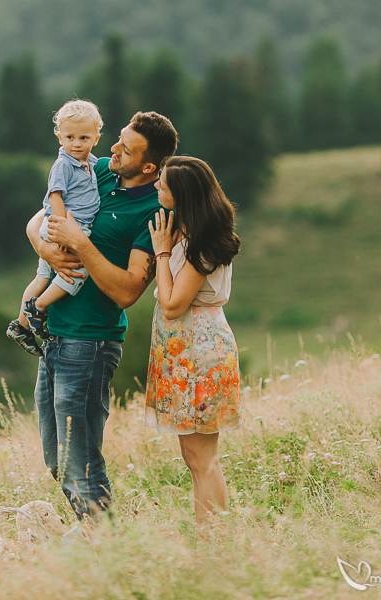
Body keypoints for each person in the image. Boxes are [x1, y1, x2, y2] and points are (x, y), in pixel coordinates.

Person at [27, 111, 178, 522]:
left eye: (124, 148)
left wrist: (78, 241)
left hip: (90, 341)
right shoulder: (96, 169)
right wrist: (48, 251)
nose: (110, 148)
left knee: (79, 460)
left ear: (149, 166)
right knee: (56, 456)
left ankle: (102, 542)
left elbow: (129, 290)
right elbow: (38, 218)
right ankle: (95, 535)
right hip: (55, 333)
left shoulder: (156, 211)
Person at [146, 155, 242, 536]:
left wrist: (162, 251)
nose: (156, 186)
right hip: (187, 352)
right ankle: (210, 533)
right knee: (194, 456)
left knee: (202, 459)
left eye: (163, 185)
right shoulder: (192, 234)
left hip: (197, 353)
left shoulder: (199, 244)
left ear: (181, 196)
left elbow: (172, 305)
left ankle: (215, 538)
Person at [7, 100, 103, 357]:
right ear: (59, 136)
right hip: (66, 227)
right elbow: (55, 197)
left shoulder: (91, 164)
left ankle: (21, 326)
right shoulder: (63, 165)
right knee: (76, 273)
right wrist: (63, 229)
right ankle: (38, 308)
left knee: (42, 276)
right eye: (70, 137)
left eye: (84, 137)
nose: (76, 143)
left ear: (96, 138)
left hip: (64, 228)